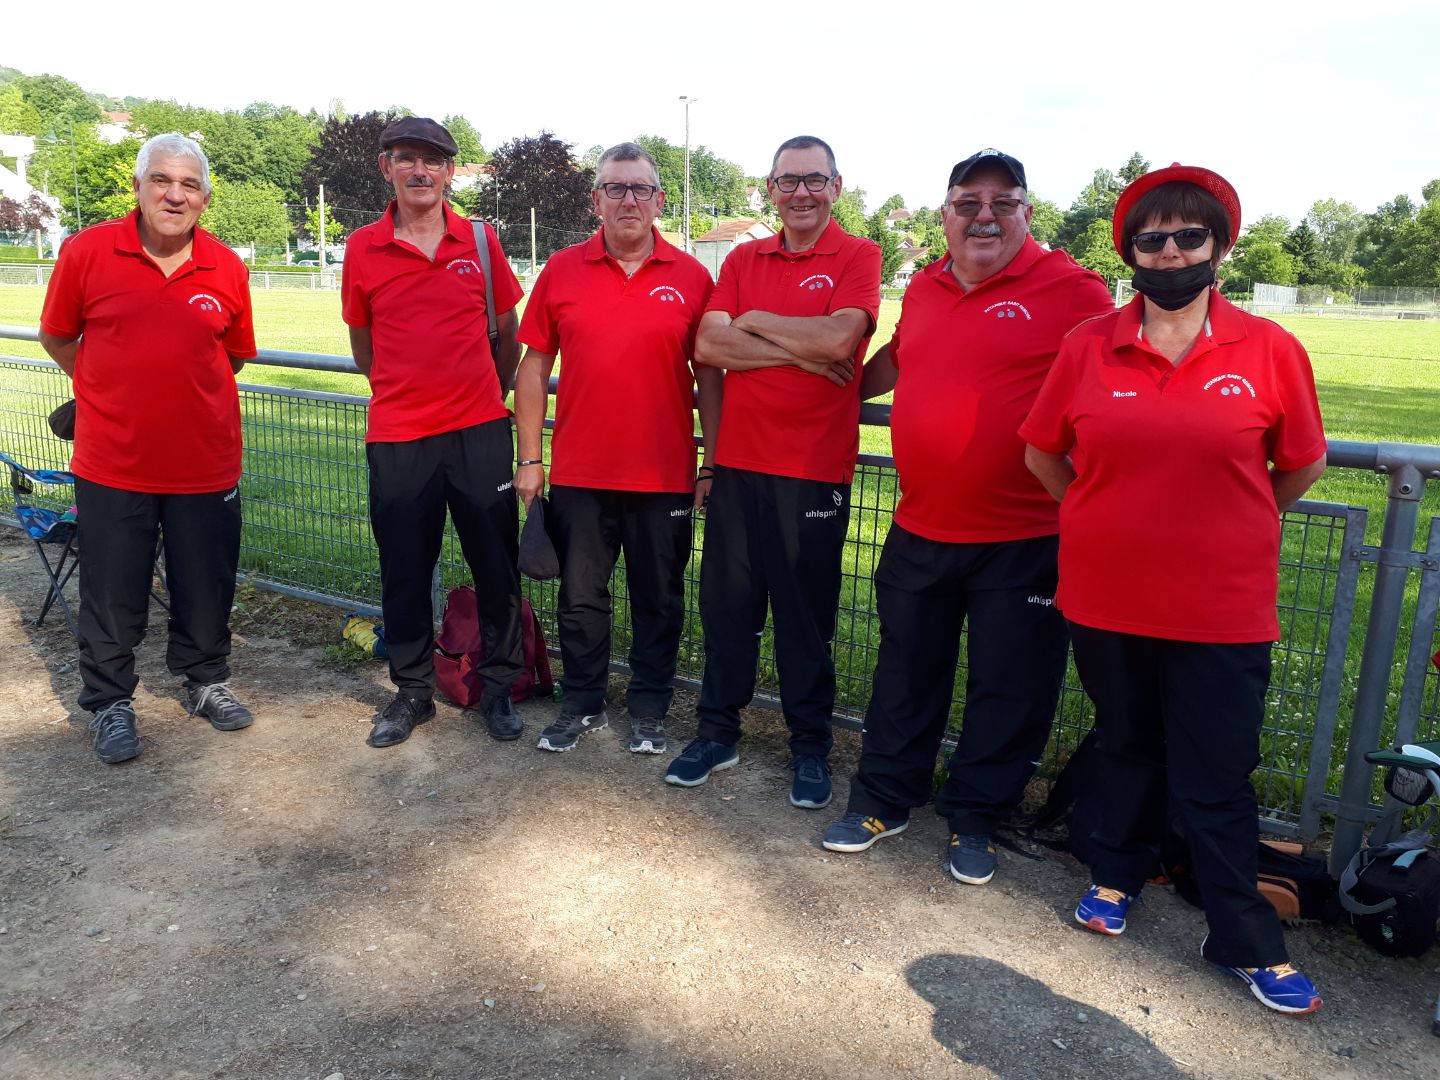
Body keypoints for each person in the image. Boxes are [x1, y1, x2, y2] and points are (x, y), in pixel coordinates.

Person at [1020, 163, 1327, 1014]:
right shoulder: (1089, 344)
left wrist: (1227, 521)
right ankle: (1117, 876)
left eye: (1189, 235)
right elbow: (1044, 454)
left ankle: (1241, 938)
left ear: (1220, 247)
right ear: (1129, 252)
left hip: (1222, 607)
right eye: (1151, 238)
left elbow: (1299, 467)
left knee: (1218, 774)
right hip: (1106, 597)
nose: (1170, 251)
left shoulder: (1270, 350)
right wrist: (1099, 512)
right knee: (1126, 746)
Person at [818, 149, 1115, 884]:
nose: (984, 215)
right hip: (922, 524)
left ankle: (976, 816)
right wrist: (822, 387)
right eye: (967, 202)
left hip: (1026, 535)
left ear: (1026, 212)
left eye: (1001, 202)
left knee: (1008, 685)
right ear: (945, 213)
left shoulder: (1073, 291)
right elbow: (896, 357)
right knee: (905, 674)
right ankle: (884, 797)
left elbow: (1117, 382)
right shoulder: (923, 285)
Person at [663, 136, 881, 809]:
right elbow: (706, 342)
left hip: (813, 471)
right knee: (727, 612)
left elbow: (840, 340)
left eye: (814, 180)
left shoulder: (859, 255)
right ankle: (716, 732)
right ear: (770, 188)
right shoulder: (743, 255)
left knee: (803, 619)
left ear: (836, 187)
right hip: (736, 466)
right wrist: (802, 350)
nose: (801, 193)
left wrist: (755, 324)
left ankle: (809, 747)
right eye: (788, 181)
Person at [38, 133, 258, 764]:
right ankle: (110, 702)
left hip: (204, 461)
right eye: (162, 180)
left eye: (189, 185)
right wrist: (108, 389)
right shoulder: (88, 251)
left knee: (206, 585)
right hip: (114, 462)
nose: (175, 194)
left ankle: (205, 682)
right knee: (112, 589)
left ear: (205, 199)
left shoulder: (227, 266)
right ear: (138, 187)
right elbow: (58, 337)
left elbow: (234, 354)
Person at [513, 142, 719, 755]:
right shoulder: (562, 269)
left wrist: (715, 460)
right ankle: (581, 704)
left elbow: (710, 375)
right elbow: (533, 366)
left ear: (660, 200)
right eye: (616, 188)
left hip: (665, 476)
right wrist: (530, 458)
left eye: (641, 189)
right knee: (580, 600)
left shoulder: (691, 276)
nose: (629, 200)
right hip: (581, 472)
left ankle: (650, 706)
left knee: (659, 598)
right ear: (595, 198)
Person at [341, 116, 526, 749]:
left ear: (450, 172)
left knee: (496, 565)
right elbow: (364, 348)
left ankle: (498, 685)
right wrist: (407, 392)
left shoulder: (479, 240)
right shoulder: (363, 248)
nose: (422, 172)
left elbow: (508, 331)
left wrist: (481, 396)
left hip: (479, 431)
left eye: (435, 161)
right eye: (408, 159)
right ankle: (412, 691)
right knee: (404, 567)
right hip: (398, 435)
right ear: (386, 167)